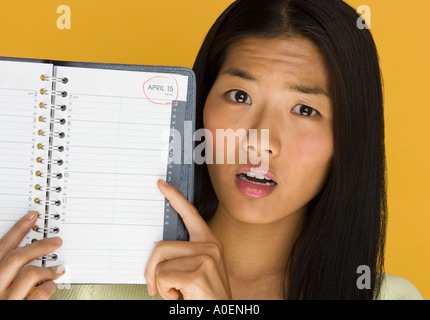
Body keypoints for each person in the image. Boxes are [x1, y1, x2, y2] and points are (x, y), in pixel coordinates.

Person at [0, 0, 423, 300]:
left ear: (348, 138)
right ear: (198, 105)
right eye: (239, 96)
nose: (260, 139)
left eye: (304, 109)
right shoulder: (79, 283)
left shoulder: (389, 297)